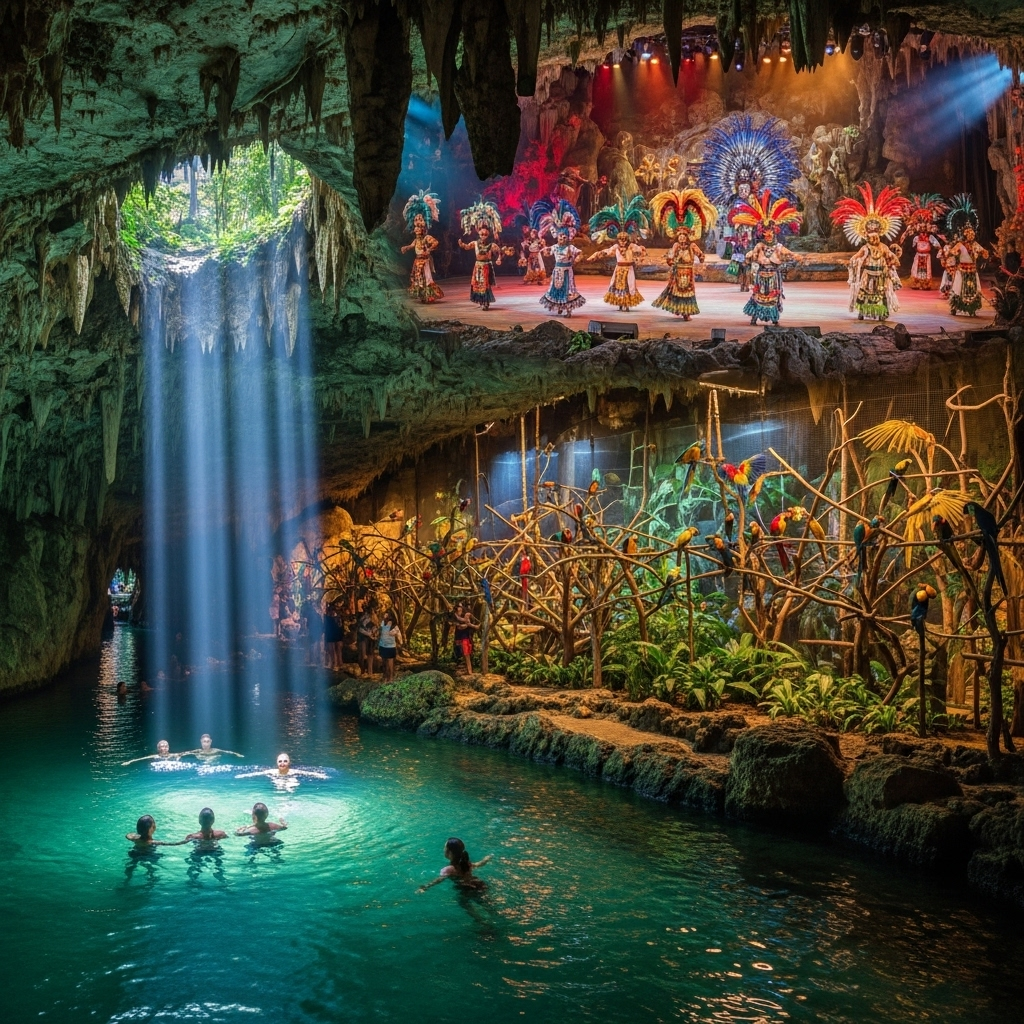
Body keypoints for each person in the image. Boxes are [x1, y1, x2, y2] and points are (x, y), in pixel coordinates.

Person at [830, 183, 908, 321]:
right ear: (866, 236)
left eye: (876, 235)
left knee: (881, 293)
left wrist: (894, 258)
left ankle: (881, 313)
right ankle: (863, 312)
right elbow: (855, 257)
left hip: (881, 275)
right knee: (865, 292)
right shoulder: (865, 248)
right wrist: (851, 262)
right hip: (868, 274)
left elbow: (893, 258)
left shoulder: (883, 247)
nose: (874, 238)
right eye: (871, 236)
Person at [729, 190, 805, 325]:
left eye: (770, 231)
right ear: (762, 232)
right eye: (765, 232)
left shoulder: (778, 246)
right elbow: (751, 255)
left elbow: (788, 252)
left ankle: (774, 318)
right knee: (759, 296)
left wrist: (796, 256)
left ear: (774, 231)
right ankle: (755, 317)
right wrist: (749, 257)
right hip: (761, 275)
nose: (768, 234)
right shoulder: (760, 246)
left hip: (773, 276)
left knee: (773, 297)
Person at [650, 188, 718, 321]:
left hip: (688, 272)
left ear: (687, 236)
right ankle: (678, 309)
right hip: (678, 272)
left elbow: (700, 255)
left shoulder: (692, 246)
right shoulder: (675, 246)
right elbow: (670, 256)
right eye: (679, 235)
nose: (681, 238)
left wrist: (702, 257)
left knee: (688, 292)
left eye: (684, 235)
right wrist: (670, 260)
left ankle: (686, 313)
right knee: (677, 291)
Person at [457, 200, 504, 310]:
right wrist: (462, 244)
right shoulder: (475, 243)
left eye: (485, 234)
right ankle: (480, 300)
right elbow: (467, 247)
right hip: (477, 266)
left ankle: (486, 302)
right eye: (481, 234)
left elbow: (499, 251)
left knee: (485, 284)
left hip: (486, 267)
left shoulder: (491, 245)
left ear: (488, 234)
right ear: (478, 233)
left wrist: (499, 258)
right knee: (477, 284)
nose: (483, 236)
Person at [400, 190, 444, 303]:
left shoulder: (425, 238)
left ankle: (428, 295)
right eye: (415, 228)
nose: (416, 230)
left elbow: (435, 243)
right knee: (418, 279)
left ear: (423, 229)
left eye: (419, 228)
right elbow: (412, 245)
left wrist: (428, 249)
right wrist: (407, 247)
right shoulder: (417, 239)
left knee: (427, 278)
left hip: (424, 261)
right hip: (417, 261)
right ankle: (422, 295)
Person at [538, 227, 585, 316]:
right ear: (557, 236)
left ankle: (568, 311)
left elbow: (580, 253)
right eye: (560, 236)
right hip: (557, 272)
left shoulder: (570, 248)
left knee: (567, 290)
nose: (562, 238)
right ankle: (559, 306)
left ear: (567, 238)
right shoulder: (555, 247)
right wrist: (544, 247)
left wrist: (577, 258)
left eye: (565, 236)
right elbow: (547, 253)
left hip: (567, 272)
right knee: (557, 289)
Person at [417, 837, 493, 892]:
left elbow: (439, 880)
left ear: (449, 852)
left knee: (464, 905)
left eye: (445, 847)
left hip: (466, 888)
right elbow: (478, 864)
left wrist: (425, 887)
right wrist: (486, 859)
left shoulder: (448, 869)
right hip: (478, 883)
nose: (443, 849)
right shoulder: (467, 863)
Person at [235, 752, 329, 783]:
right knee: (278, 783)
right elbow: (257, 773)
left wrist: (320, 775)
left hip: (290, 779)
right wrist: (243, 776)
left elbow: (307, 773)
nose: (282, 763)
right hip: (278, 778)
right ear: (277, 763)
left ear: (289, 763)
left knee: (291, 784)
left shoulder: (293, 771)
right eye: (280, 761)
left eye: (285, 761)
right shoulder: (273, 772)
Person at [452, 602, 478, 675]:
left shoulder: (465, 614)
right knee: (463, 653)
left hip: (465, 636)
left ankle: (470, 671)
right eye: (459, 607)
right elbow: (458, 626)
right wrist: (465, 624)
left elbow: (466, 624)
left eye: (461, 607)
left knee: (466, 653)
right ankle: (467, 669)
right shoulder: (455, 616)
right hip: (458, 636)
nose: (460, 608)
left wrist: (467, 624)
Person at [378, 611, 402, 683]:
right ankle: (385, 676)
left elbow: (398, 634)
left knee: (390, 662)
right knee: (384, 662)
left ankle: (391, 677)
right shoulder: (383, 623)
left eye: (387, 614)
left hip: (390, 646)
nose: (385, 616)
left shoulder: (394, 626)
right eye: (385, 614)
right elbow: (380, 631)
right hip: (382, 645)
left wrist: (401, 643)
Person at [357, 602, 378, 677]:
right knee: (362, 654)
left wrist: (375, 634)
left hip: (371, 638)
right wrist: (369, 634)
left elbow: (376, 627)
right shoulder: (364, 617)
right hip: (363, 638)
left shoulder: (374, 617)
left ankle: (370, 671)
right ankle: (362, 671)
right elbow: (360, 629)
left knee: (370, 654)